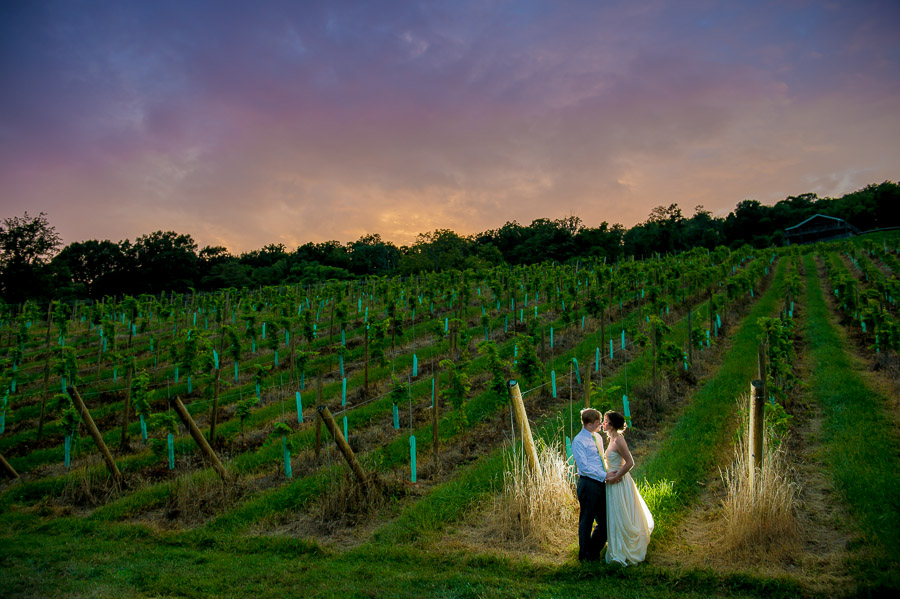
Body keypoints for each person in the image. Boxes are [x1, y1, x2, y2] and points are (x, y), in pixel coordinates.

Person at [602, 411, 654, 565]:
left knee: (621, 513)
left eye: (605, 421)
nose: (603, 423)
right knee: (615, 514)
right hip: (612, 481)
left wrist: (616, 477)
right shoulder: (610, 439)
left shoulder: (618, 440)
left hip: (619, 483)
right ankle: (617, 546)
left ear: (611, 424)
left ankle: (626, 549)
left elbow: (630, 462)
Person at [572, 408, 618, 561]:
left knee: (605, 520)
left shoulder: (597, 437)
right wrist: (604, 475)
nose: (601, 425)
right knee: (587, 519)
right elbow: (584, 467)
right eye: (598, 423)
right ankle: (584, 555)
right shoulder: (578, 441)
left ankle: (593, 551)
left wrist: (608, 473)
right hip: (588, 483)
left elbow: (600, 459)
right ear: (589, 424)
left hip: (600, 482)